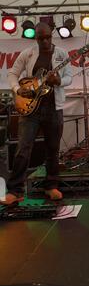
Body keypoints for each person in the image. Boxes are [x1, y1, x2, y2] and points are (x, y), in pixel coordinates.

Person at [1, 22, 73, 205]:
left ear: (52, 35)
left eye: (48, 37)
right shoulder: (28, 53)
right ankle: (15, 190)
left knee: (53, 150)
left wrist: (58, 81)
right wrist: (18, 90)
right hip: (30, 110)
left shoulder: (62, 54)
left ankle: (51, 186)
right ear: (36, 38)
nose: (45, 41)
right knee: (23, 149)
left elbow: (69, 78)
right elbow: (12, 73)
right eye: (41, 38)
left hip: (53, 109)